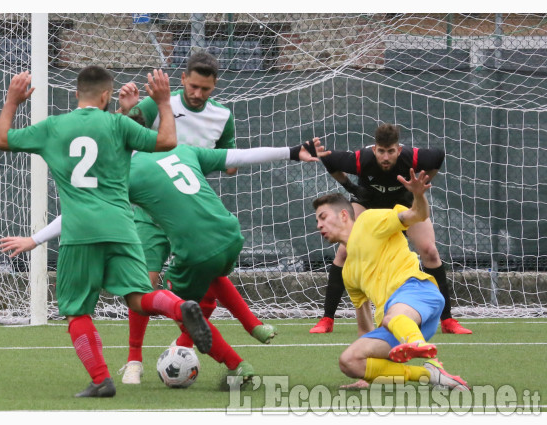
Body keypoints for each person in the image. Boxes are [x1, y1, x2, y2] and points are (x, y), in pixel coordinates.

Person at [0, 139, 325, 388]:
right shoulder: (183, 149)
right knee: (209, 279)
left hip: (193, 248)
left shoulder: (125, 174)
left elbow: (78, 212)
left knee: (163, 303)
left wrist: (35, 239)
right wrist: (294, 151)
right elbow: (239, 156)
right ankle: (252, 325)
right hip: (230, 233)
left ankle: (237, 366)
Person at [0, 66, 212, 398]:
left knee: (77, 310)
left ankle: (101, 380)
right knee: (139, 298)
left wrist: (12, 101)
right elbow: (167, 140)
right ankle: (178, 308)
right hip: (122, 227)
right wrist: (164, 102)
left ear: (76, 94)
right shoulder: (118, 123)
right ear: (107, 96)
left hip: (80, 232)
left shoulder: (54, 127)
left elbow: (2, 139)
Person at [116, 50, 276, 384]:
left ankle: (200, 341)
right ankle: (134, 360)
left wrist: (229, 164)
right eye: (192, 87)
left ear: (215, 86)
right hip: (149, 207)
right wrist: (127, 109)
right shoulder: (159, 102)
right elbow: (123, 132)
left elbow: (229, 156)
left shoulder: (222, 116)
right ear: (183, 80)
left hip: (189, 207)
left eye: (205, 89)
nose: (197, 94)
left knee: (203, 273)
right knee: (145, 282)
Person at [309, 123, 472, 335]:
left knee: (430, 251)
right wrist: (351, 187)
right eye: (381, 151)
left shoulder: (412, 158)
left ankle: (448, 321)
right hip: (367, 202)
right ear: (374, 149)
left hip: (404, 205)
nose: (386, 157)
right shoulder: (362, 159)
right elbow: (329, 160)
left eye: (391, 151)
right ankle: (327, 319)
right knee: (344, 251)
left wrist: (420, 187)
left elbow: (438, 157)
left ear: (399, 149)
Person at [312, 170, 468, 390]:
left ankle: (417, 343)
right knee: (349, 361)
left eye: (323, 217)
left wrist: (418, 195)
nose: (318, 225)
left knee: (391, 315)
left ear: (344, 216)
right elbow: (364, 325)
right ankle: (429, 374)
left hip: (418, 292)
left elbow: (417, 215)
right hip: (398, 325)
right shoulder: (348, 272)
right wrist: (366, 374)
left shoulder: (368, 221)